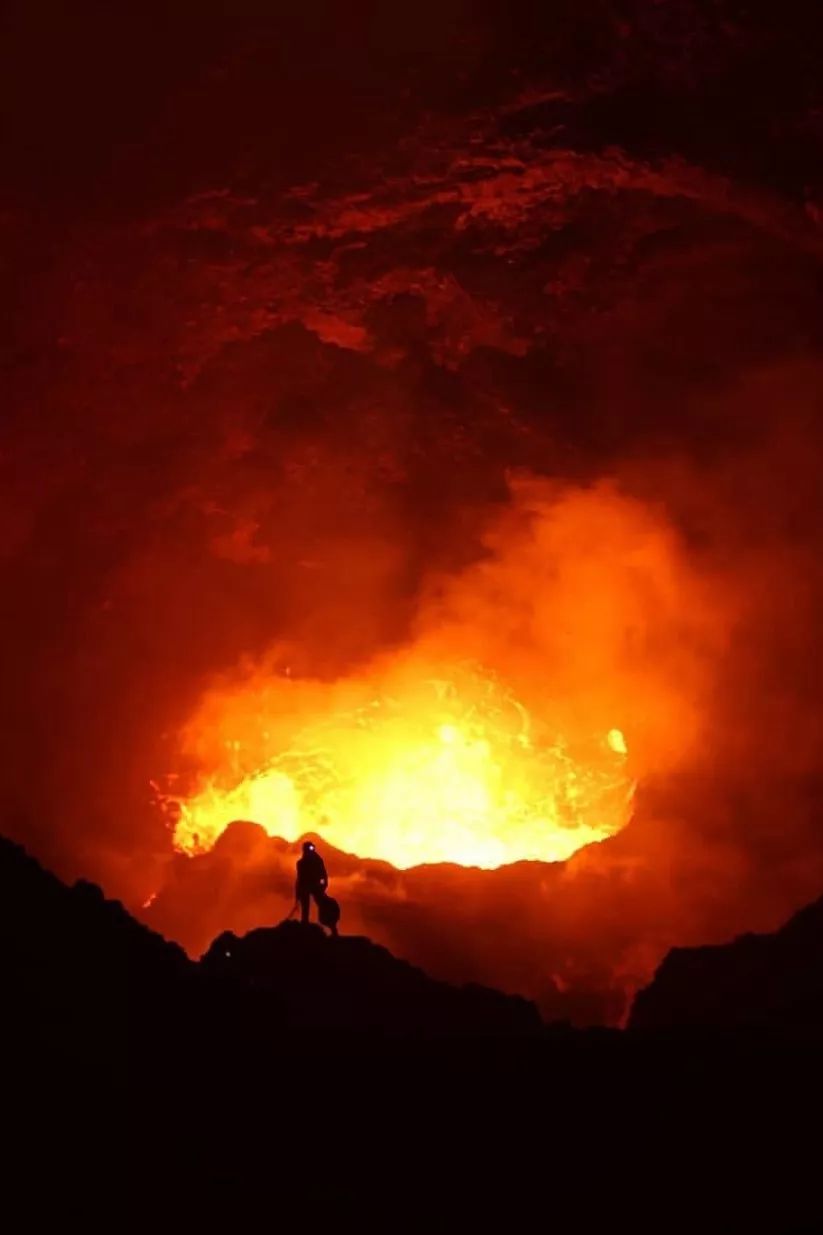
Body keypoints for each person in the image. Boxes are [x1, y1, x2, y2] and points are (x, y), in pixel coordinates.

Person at [295, 840, 328, 925]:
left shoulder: (317, 861)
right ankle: (305, 923)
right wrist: (298, 892)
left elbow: (323, 873)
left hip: (315, 885)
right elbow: (299, 878)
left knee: (322, 904)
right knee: (305, 906)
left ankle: (326, 922)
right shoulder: (301, 863)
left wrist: (324, 884)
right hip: (305, 886)